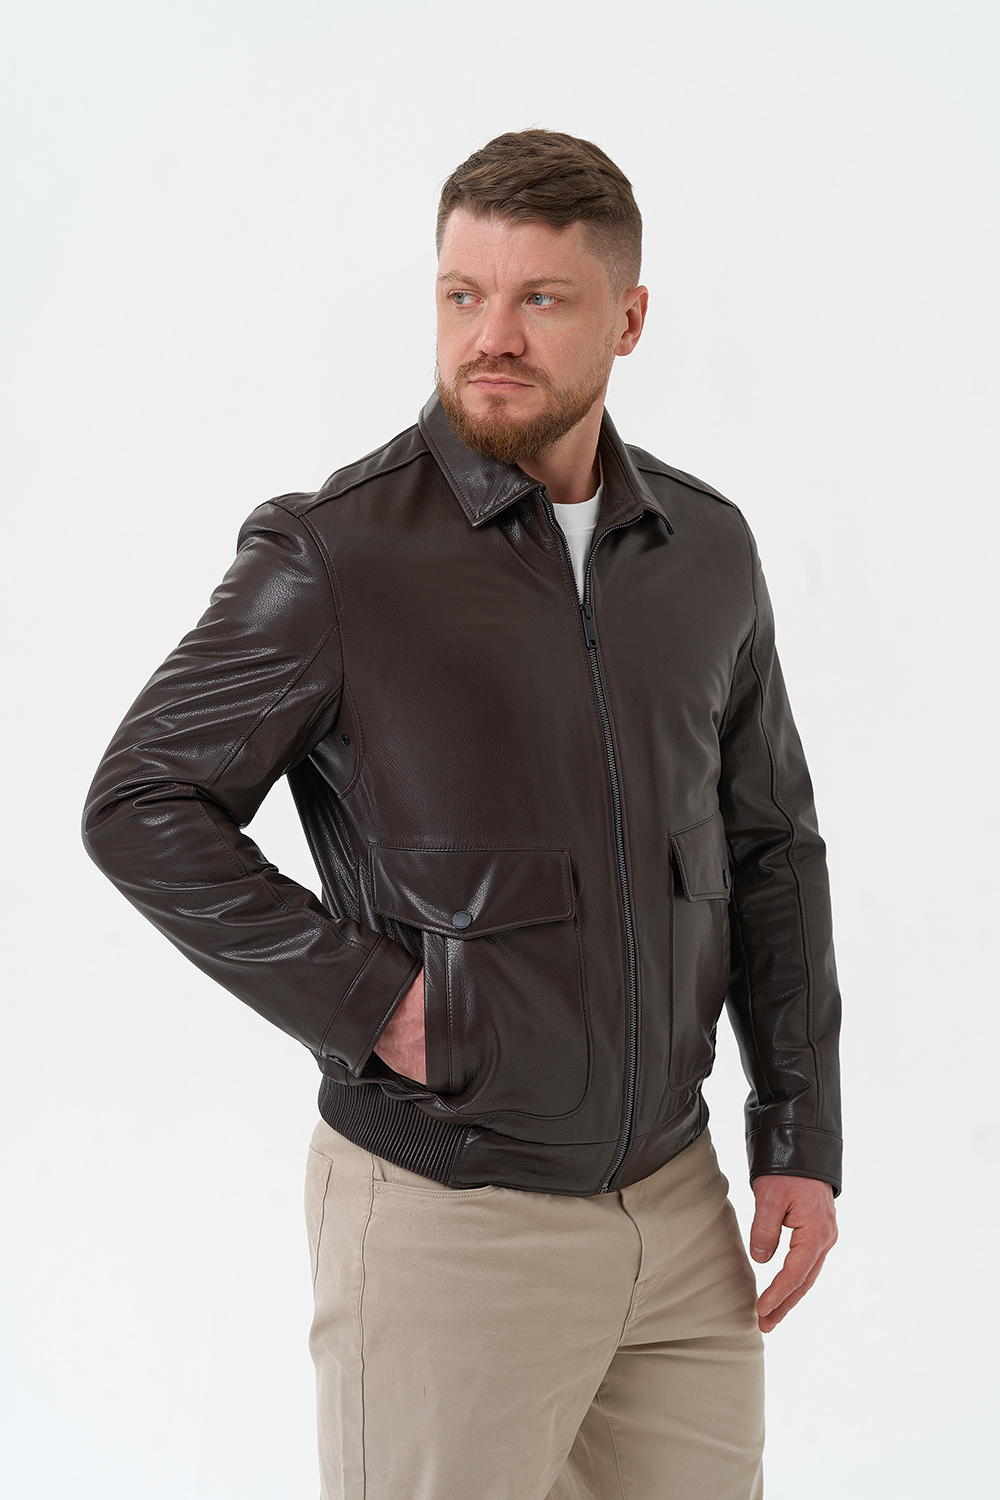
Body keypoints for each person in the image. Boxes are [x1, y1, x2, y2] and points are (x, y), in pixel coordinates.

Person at [81, 128, 842, 1500]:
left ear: (629, 318)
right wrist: (375, 1000)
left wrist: (799, 1132)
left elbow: (770, 847)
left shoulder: (708, 550)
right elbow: (142, 801)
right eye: (461, 294)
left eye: (540, 298)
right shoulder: (336, 555)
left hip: (680, 1217)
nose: (491, 336)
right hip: (450, 1216)